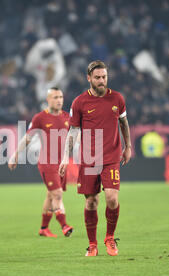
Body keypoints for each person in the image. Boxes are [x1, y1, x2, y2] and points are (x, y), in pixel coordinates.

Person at [59, 60, 132, 256]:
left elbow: (124, 123)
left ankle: (109, 238)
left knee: (112, 198)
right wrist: (65, 157)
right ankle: (92, 244)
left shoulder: (117, 98)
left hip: (111, 157)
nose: (101, 81)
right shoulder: (79, 102)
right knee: (91, 202)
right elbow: (73, 132)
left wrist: (128, 146)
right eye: (98, 77)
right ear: (89, 78)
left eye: (104, 77)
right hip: (89, 159)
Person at [8, 87, 74, 238]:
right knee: (57, 194)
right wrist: (15, 154)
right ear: (48, 100)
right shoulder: (40, 118)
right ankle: (64, 225)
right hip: (47, 162)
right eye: (55, 97)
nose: (59, 100)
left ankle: (44, 228)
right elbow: (28, 137)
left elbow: (74, 136)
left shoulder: (67, 117)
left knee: (51, 196)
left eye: (61, 97)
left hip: (61, 163)